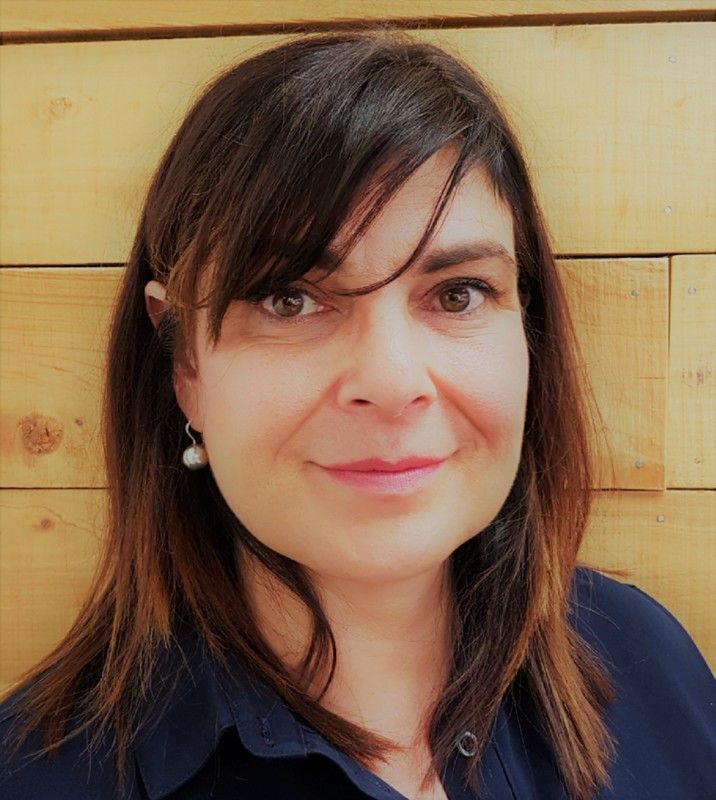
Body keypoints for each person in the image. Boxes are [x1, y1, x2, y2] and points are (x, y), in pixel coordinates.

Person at [0, 28, 714, 800]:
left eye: (458, 293)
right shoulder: (40, 776)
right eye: (289, 298)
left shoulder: (654, 668)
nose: (391, 379)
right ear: (186, 366)